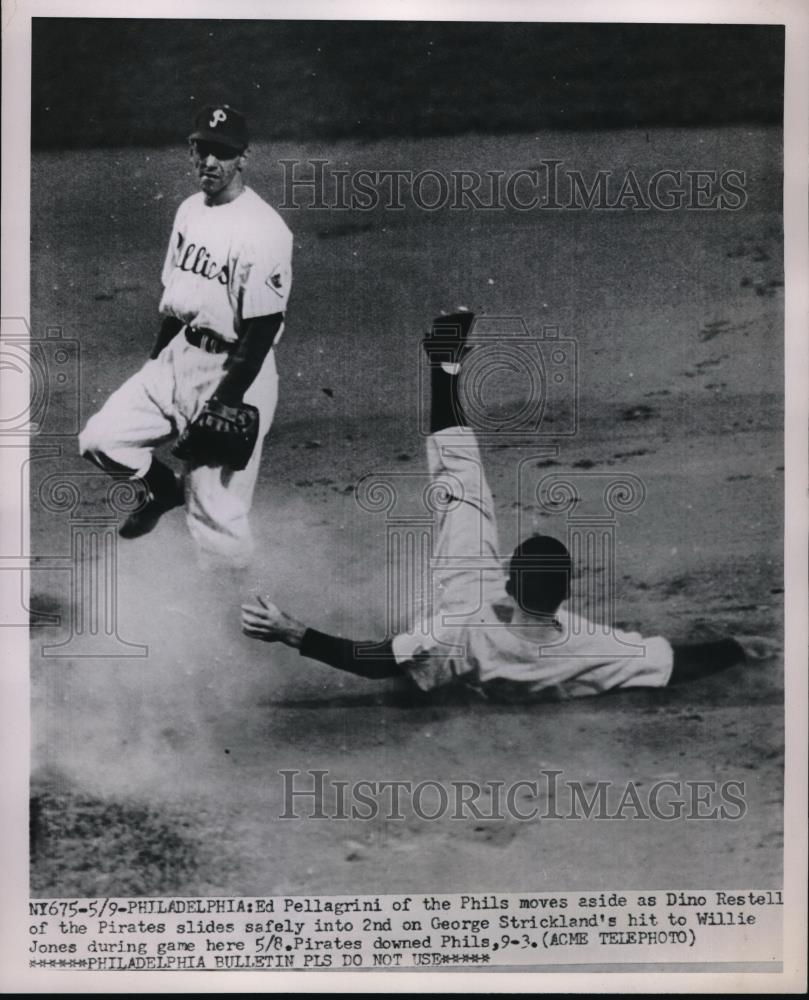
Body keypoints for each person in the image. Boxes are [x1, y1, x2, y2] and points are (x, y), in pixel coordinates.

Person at [242, 311, 768, 700]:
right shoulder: (587, 644)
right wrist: (737, 647)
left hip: (462, 635)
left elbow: (377, 661)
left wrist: (292, 632)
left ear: (509, 582)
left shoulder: (460, 628)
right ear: (565, 594)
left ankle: (442, 367)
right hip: (494, 637)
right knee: (464, 492)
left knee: (463, 490)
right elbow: (672, 661)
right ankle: (445, 364)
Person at [79, 104, 293, 568]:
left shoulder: (264, 229)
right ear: (192, 152)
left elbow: (262, 328)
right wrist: (155, 363)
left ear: (243, 157)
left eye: (223, 153)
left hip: (235, 371)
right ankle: (160, 489)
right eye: (203, 151)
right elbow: (178, 298)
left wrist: (226, 400)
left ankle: (231, 627)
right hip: (178, 357)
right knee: (101, 438)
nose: (210, 163)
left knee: (215, 517)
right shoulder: (189, 211)